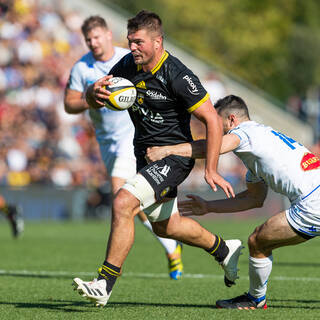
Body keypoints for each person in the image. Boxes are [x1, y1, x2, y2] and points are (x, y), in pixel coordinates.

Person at [72, 10, 241, 307]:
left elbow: (212, 121)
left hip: (173, 158)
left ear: (158, 42)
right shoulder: (127, 65)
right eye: (130, 41)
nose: (132, 47)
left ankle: (104, 282)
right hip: (144, 156)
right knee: (166, 226)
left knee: (123, 202)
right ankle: (224, 250)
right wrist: (92, 92)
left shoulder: (178, 75)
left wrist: (211, 169)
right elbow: (98, 92)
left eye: (138, 42)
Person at [146, 94, 320, 310]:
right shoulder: (260, 146)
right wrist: (209, 207)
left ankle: (256, 299)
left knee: (258, 241)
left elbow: (210, 148)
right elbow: (253, 199)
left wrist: (168, 150)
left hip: (313, 203)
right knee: (259, 240)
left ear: (231, 120)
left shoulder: (245, 133)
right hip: (314, 196)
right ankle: (256, 299)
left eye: (217, 127)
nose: (215, 133)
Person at [64, 15, 185, 280]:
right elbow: (69, 104)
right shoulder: (82, 68)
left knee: (122, 195)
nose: (93, 43)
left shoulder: (128, 57)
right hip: (106, 141)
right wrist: (92, 96)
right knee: (134, 202)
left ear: (108, 34)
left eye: (97, 37)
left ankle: (112, 270)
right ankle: (170, 242)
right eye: (88, 40)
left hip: (131, 136)